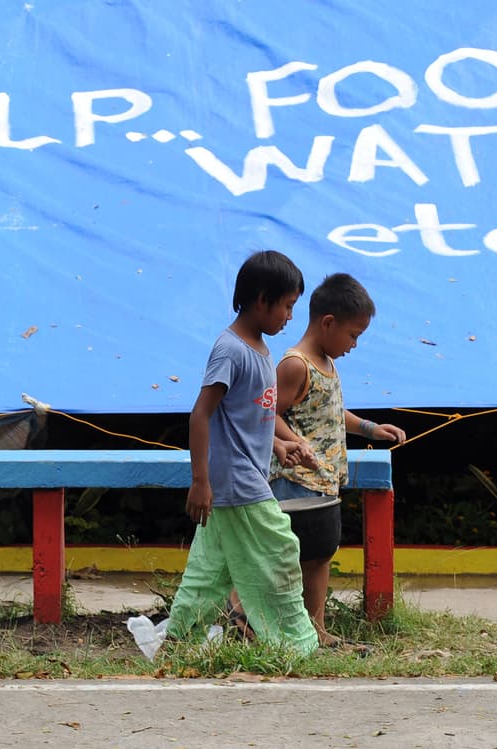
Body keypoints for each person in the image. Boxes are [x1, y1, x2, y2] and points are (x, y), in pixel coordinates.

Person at [161, 250, 319, 656]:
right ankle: (294, 645)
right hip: (234, 479)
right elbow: (201, 414)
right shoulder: (230, 349)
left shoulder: (262, 351)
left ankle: (179, 638)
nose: (289, 316)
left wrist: (281, 445)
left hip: (244, 474)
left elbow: (246, 419)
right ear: (262, 299)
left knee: (211, 568)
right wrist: (200, 481)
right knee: (281, 548)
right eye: (286, 306)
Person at [264, 273, 405, 646]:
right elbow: (267, 415)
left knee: (320, 555)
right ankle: (278, 628)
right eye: (353, 334)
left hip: (324, 481)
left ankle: (316, 628)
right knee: (289, 559)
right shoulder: (295, 364)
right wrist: (298, 443)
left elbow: (329, 411)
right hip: (295, 479)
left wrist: (372, 429)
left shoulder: (326, 362)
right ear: (328, 323)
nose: (354, 344)